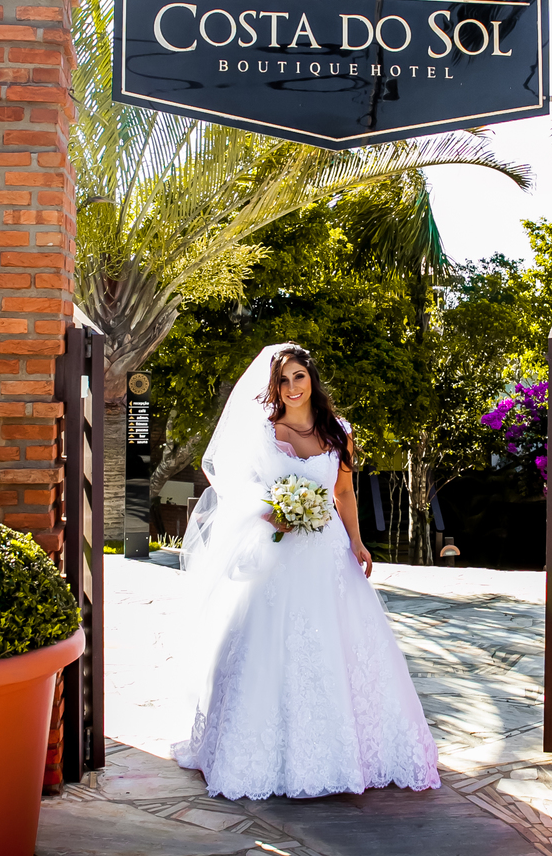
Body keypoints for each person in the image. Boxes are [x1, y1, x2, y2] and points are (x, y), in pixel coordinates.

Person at [173, 342, 440, 801]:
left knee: (343, 646)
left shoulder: (339, 432)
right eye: (283, 380)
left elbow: (345, 493)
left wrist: (356, 541)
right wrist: (271, 512)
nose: (292, 387)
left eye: (299, 376)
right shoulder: (263, 432)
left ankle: (349, 751)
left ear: (311, 379)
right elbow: (239, 487)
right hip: (277, 558)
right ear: (273, 387)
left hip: (329, 554)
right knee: (269, 647)